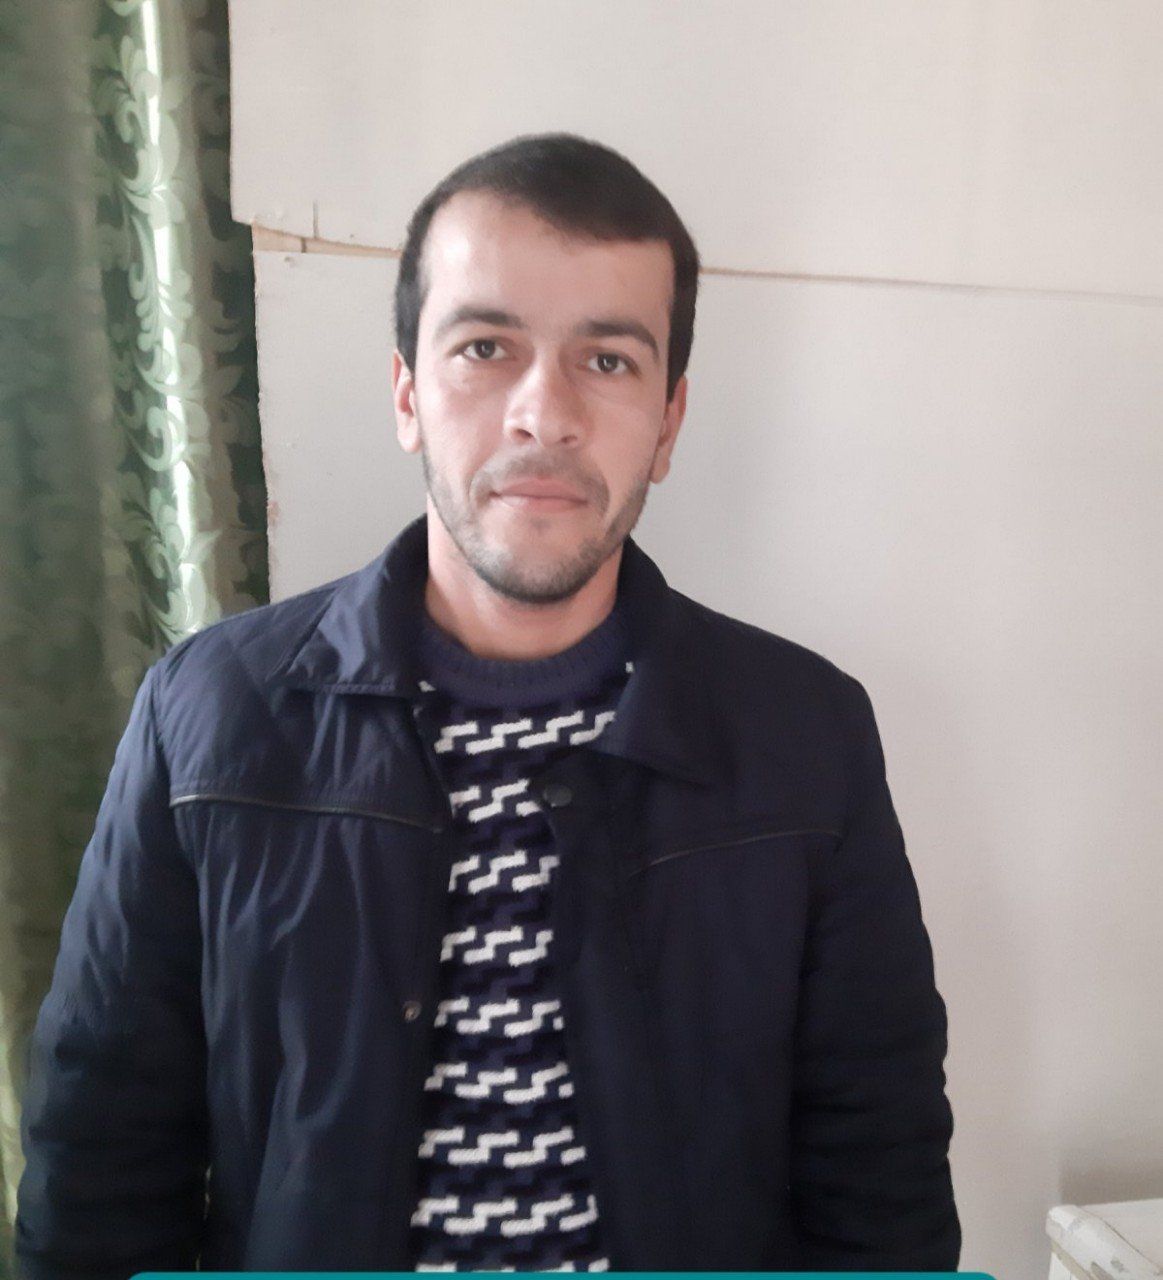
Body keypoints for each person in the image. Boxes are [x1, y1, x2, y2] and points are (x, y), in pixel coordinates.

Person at [16, 132, 960, 1274]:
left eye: (606, 360)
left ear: (666, 423)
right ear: (407, 394)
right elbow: (102, 1156)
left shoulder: (806, 734)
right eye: (483, 347)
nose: (542, 414)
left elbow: (878, 1168)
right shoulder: (205, 716)